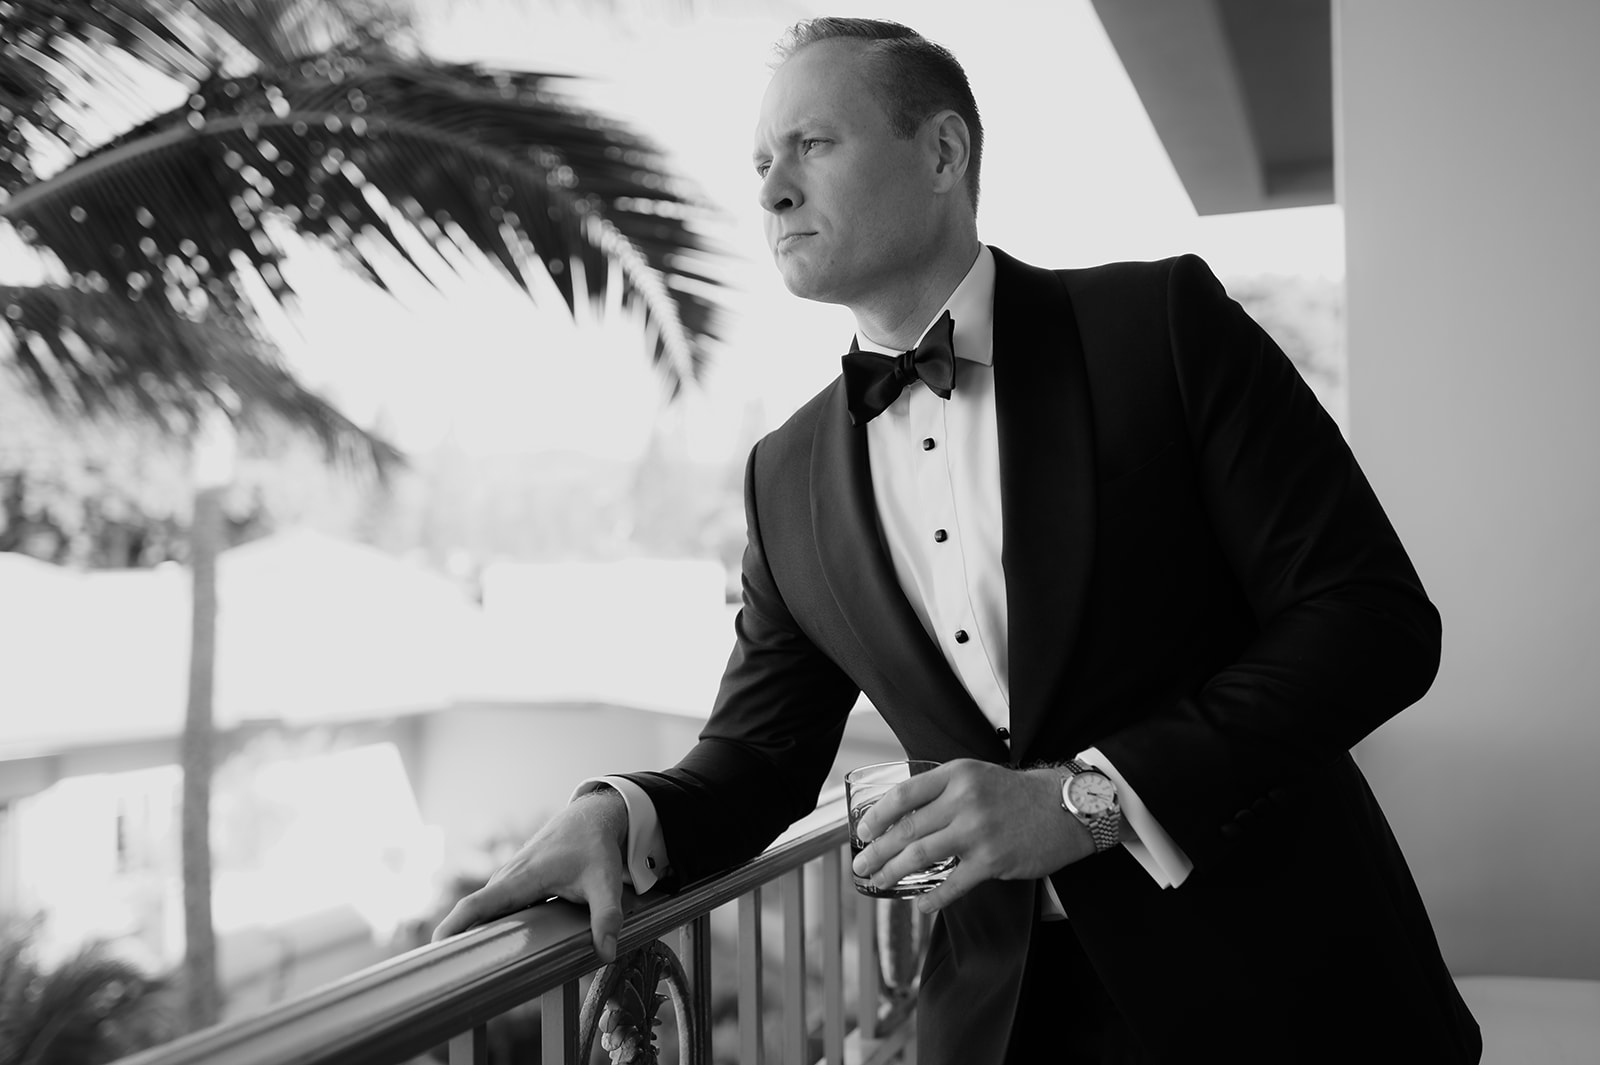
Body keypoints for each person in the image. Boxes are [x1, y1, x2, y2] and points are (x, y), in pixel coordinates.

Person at [435, 17, 1481, 1064]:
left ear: (941, 153)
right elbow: (759, 756)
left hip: (1285, 987)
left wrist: (1088, 801)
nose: (771, 192)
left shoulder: (1158, 326)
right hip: (1006, 1019)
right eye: (760, 162)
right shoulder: (782, 474)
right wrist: (619, 813)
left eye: (812, 145)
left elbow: (1370, 621)